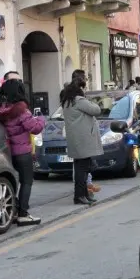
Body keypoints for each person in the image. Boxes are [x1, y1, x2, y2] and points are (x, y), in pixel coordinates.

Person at [0, 79, 45, 225]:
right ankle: (23, 214)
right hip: (22, 152)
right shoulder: (21, 110)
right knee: (26, 182)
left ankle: (12, 212)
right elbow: (35, 128)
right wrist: (41, 118)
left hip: (7, 152)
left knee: (12, 182)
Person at [60, 77, 103, 205]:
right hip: (83, 139)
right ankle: (79, 196)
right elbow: (96, 110)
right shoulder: (79, 100)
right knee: (82, 170)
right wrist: (90, 101)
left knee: (81, 168)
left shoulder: (67, 101)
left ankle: (83, 195)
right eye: (83, 88)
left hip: (76, 140)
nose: (84, 90)